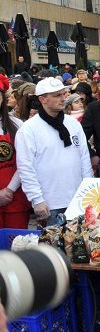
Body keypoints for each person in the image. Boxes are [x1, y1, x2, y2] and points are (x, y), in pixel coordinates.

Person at [16, 78, 93, 225]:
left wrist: (88, 192)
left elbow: (84, 159)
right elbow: (26, 168)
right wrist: (37, 200)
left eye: (64, 94)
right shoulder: (29, 129)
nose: (63, 98)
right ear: (42, 99)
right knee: (51, 247)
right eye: (57, 95)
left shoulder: (73, 124)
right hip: (49, 203)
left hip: (77, 200)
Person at [0, 76, 30, 228]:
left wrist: (9, 190)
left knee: (16, 245)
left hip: (14, 196)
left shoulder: (17, 124)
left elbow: (24, 161)